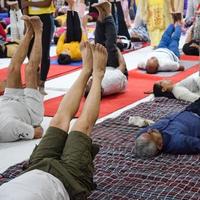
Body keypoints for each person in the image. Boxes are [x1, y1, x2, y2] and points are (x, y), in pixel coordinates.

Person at [0, 41, 107, 199]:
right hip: (68, 181)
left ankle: (85, 71)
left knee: (58, 121)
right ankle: (98, 75)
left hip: (35, 168)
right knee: (81, 128)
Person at [0, 16, 44, 142]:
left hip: (9, 100)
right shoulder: (7, 128)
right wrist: (33, 128)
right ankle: (38, 31)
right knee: (30, 70)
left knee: (13, 68)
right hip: (30, 112)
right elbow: (38, 132)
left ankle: (29, 31)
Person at [85, 0, 128, 96]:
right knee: (109, 45)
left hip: (102, 68)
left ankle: (101, 13)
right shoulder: (109, 82)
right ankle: (108, 12)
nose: (88, 83)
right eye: (88, 85)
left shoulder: (94, 82)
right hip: (114, 67)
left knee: (98, 45)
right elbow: (122, 66)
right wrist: (117, 50)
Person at [135, 97, 200, 158]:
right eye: (150, 134)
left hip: (189, 109)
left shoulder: (147, 134)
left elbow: (141, 136)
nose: (149, 130)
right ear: (159, 145)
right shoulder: (177, 142)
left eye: (146, 132)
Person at [21, 0, 55, 95]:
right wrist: (26, 23)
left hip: (46, 18)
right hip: (31, 18)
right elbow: (24, 5)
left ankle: (42, 83)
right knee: (30, 51)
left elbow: (47, 3)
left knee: (45, 52)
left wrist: (29, 3)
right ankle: (36, 74)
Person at [56, 0, 87, 65]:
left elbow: (60, 41)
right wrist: (83, 35)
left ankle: (70, 6)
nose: (65, 50)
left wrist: (65, 34)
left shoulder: (59, 52)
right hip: (78, 39)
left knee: (69, 24)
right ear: (69, 55)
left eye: (63, 52)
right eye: (66, 52)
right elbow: (83, 44)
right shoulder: (77, 54)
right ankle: (73, 7)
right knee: (76, 22)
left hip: (69, 39)